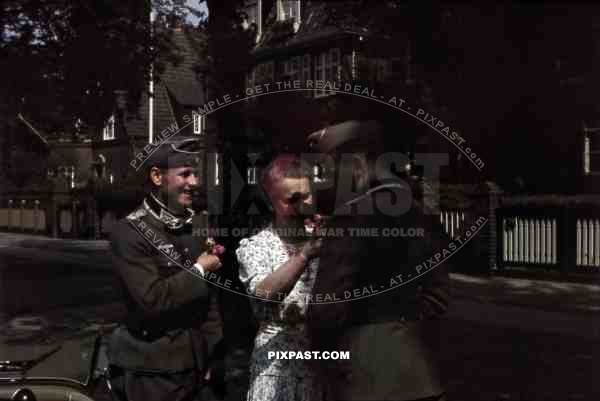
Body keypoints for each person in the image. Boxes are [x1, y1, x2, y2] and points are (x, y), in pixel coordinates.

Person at [306, 120, 451, 401]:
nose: (326, 180)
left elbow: (326, 312)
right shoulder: (420, 214)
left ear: (356, 164)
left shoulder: (350, 217)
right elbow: (438, 296)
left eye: (331, 168)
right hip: (422, 377)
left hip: (365, 381)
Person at [107, 137, 252, 401]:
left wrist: (214, 354)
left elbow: (209, 302)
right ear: (157, 177)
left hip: (197, 365)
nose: (194, 182)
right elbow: (152, 299)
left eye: (195, 173)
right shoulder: (129, 232)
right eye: (185, 173)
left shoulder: (195, 225)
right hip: (151, 369)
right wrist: (198, 269)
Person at [235, 155, 326, 401]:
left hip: (322, 363)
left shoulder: (327, 239)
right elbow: (264, 294)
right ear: (271, 202)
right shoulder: (256, 246)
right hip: (276, 368)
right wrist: (305, 254)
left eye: (306, 194)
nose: (303, 204)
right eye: (291, 199)